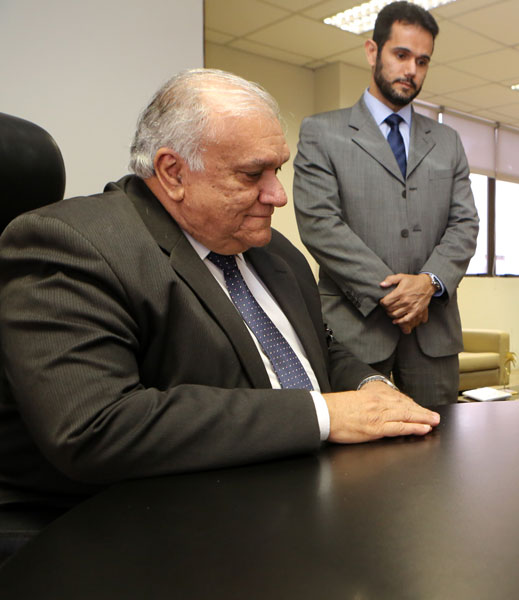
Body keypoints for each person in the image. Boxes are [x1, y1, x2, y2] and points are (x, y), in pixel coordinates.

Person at [0, 68, 440, 507]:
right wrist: (324, 414)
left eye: (277, 170)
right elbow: (97, 426)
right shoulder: (73, 244)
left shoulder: (276, 252)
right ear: (173, 173)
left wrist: (368, 385)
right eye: (251, 174)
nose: (278, 196)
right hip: (148, 516)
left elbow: (320, 346)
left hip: (301, 492)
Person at [293, 1, 478, 407]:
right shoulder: (322, 133)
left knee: (441, 441)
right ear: (372, 51)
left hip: (433, 335)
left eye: (423, 61)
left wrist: (428, 284)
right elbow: (320, 224)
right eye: (401, 55)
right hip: (354, 331)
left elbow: (464, 224)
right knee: (356, 446)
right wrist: (397, 295)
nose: (412, 70)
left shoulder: (447, 142)